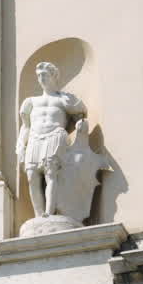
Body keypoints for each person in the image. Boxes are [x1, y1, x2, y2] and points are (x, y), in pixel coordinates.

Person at [16, 62, 87, 219]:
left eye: (45, 75)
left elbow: (81, 113)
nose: (41, 78)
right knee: (31, 176)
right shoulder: (30, 102)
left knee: (50, 173)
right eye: (39, 75)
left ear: (54, 76)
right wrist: (21, 145)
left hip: (55, 135)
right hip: (35, 137)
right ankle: (38, 214)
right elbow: (26, 127)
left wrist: (81, 123)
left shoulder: (64, 99)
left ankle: (49, 212)